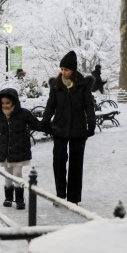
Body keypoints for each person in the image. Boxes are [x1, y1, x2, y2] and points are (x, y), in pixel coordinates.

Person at [43, 51, 96, 204]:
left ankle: (73, 197)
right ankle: (60, 194)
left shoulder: (82, 84)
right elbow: (51, 104)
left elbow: (88, 105)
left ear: (73, 70)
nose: (63, 72)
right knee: (58, 162)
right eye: (62, 69)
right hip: (59, 128)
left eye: (66, 69)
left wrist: (91, 124)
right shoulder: (56, 84)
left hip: (78, 129)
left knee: (76, 163)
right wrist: (45, 121)